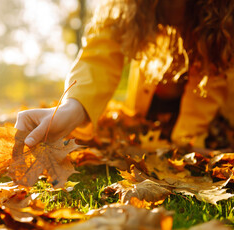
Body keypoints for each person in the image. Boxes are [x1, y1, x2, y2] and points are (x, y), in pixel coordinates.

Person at [15, 0, 234, 150]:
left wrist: (188, 140)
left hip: (216, 120)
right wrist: (73, 108)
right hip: (149, 116)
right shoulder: (126, 7)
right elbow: (99, 57)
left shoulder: (226, 18)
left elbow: (214, 80)